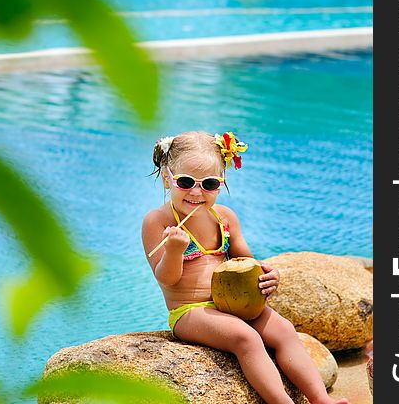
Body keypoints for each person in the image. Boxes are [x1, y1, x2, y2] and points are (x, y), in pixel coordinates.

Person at [142, 131, 349, 404]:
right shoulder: (157, 221)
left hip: (233, 304)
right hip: (190, 312)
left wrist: (268, 277)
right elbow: (167, 279)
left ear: (222, 182)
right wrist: (174, 250)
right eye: (185, 182)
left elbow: (248, 263)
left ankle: (321, 399)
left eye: (210, 184)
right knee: (246, 337)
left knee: (285, 330)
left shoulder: (224, 218)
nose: (196, 192)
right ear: (168, 177)